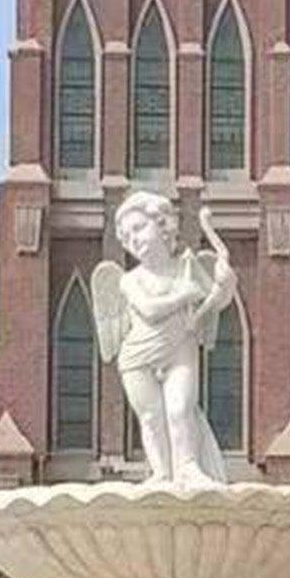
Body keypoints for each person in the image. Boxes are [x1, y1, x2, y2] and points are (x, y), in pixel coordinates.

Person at [91, 190, 236, 485]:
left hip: (180, 347)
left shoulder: (187, 267)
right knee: (151, 416)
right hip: (137, 358)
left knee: (180, 408)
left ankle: (188, 466)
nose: (134, 239)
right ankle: (161, 472)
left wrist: (226, 283)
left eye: (139, 228)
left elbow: (216, 301)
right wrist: (184, 293)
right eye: (127, 236)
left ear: (162, 224)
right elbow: (149, 310)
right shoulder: (129, 280)